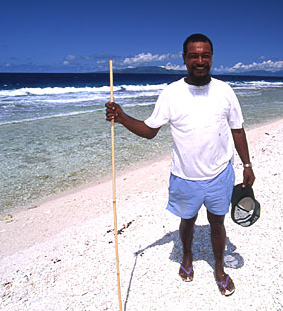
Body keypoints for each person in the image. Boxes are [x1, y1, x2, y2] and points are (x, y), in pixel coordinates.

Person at [105, 33, 255, 296]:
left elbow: (237, 130)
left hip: (221, 174)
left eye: (205, 55)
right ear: (184, 59)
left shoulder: (225, 91)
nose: (200, 61)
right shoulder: (171, 93)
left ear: (212, 58)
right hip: (184, 177)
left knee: (217, 223)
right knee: (187, 220)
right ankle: (186, 257)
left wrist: (247, 165)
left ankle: (219, 268)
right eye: (194, 55)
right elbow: (150, 130)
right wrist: (122, 117)